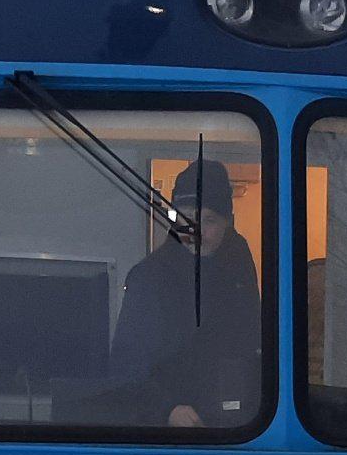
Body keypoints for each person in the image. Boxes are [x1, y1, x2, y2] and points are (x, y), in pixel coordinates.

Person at [108, 158, 260, 428]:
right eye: (185, 219)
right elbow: (126, 367)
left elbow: (250, 346)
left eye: (209, 220)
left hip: (240, 429)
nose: (195, 232)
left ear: (229, 222)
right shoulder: (149, 278)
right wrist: (168, 410)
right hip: (167, 435)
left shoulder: (240, 271)